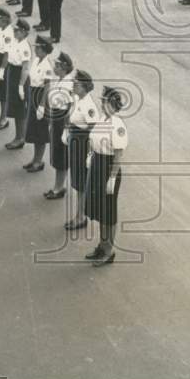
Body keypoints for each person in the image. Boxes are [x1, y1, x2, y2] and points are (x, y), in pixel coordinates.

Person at [83, 86, 128, 266]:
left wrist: (111, 178)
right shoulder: (102, 119)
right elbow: (92, 139)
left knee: (108, 211)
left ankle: (109, 251)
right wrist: (89, 156)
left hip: (109, 168)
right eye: (101, 101)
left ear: (112, 104)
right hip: (97, 164)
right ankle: (102, 245)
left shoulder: (118, 126)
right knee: (100, 210)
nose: (101, 104)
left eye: (104, 101)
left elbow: (118, 155)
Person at [64, 70, 99, 232]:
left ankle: (81, 217)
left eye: (76, 84)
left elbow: (94, 131)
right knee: (77, 182)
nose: (73, 86)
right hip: (75, 141)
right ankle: (79, 215)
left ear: (84, 86)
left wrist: (90, 153)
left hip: (83, 144)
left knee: (81, 182)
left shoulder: (89, 106)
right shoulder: (79, 100)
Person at [21, 35, 55, 171]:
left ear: (44, 49)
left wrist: (41, 106)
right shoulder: (36, 60)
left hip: (42, 97)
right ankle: (35, 159)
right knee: (34, 129)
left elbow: (47, 86)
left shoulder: (47, 65)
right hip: (33, 93)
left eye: (38, 48)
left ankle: (39, 162)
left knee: (40, 131)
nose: (36, 50)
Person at [44, 51, 75, 199]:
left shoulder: (68, 84)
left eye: (56, 65)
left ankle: (59, 188)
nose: (54, 68)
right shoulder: (60, 80)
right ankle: (58, 186)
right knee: (57, 153)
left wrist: (66, 129)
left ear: (63, 67)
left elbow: (70, 108)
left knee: (61, 155)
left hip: (63, 121)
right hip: (57, 119)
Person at [0, 18, 32, 144]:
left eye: (17, 30)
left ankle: (20, 138)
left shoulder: (25, 46)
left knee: (20, 110)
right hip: (12, 72)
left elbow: (25, 68)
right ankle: (18, 136)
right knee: (14, 108)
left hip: (19, 76)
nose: (15, 32)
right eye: (14, 30)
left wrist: (21, 86)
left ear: (24, 32)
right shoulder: (16, 41)